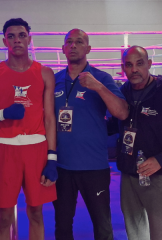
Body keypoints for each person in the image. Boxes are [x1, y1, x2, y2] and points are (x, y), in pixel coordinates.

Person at [0, 18, 57, 240]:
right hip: (5, 149)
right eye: (11, 36)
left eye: (22, 35)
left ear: (29, 39)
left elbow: (49, 118)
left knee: (36, 213)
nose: (17, 40)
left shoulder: (44, 73)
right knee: (4, 216)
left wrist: (52, 157)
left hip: (36, 149)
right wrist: (1, 115)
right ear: (4, 41)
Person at [53, 28, 129, 240]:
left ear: (88, 48)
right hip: (62, 167)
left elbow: (122, 112)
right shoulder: (54, 80)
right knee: (62, 226)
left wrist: (99, 88)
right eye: (69, 42)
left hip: (94, 167)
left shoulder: (101, 77)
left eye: (79, 42)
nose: (74, 45)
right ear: (63, 48)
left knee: (102, 225)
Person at [112, 46, 162, 240]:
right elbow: (114, 124)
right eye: (129, 65)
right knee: (135, 230)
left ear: (149, 64)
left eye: (139, 64)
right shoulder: (123, 92)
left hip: (158, 174)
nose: (134, 70)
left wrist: (161, 159)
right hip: (129, 172)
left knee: (161, 232)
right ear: (123, 68)